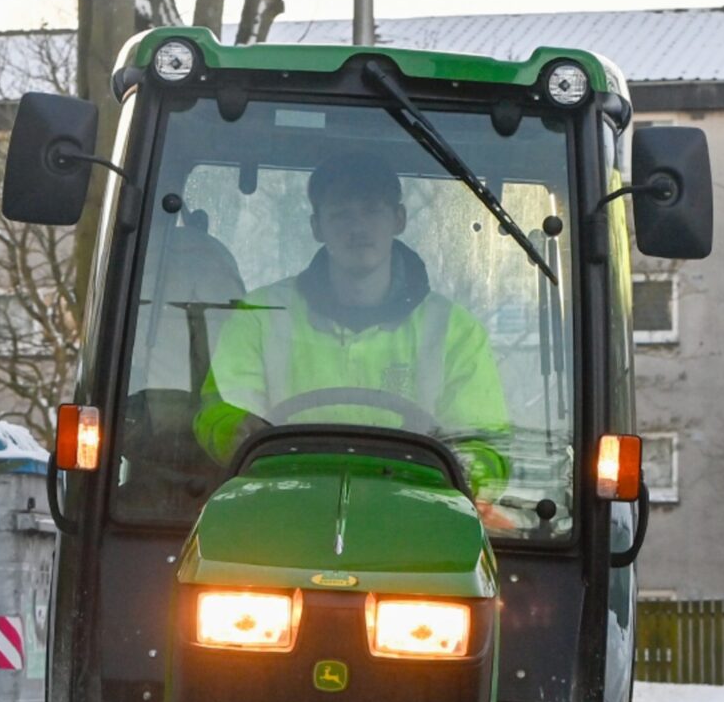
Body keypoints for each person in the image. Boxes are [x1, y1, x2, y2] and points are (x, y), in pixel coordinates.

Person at [193, 150, 512, 493]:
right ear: (317, 227)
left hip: (414, 514)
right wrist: (235, 430)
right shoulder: (260, 315)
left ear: (399, 219)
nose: (357, 228)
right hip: (282, 503)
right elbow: (220, 410)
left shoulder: (454, 331)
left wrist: (467, 469)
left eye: (372, 210)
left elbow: (485, 444)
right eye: (341, 214)